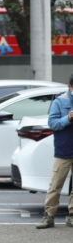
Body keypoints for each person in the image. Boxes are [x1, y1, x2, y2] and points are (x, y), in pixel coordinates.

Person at [37, 74, 73, 229]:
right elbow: (52, 123)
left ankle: (71, 216)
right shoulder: (60, 101)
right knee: (55, 184)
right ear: (69, 86)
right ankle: (49, 216)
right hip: (64, 149)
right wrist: (68, 118)